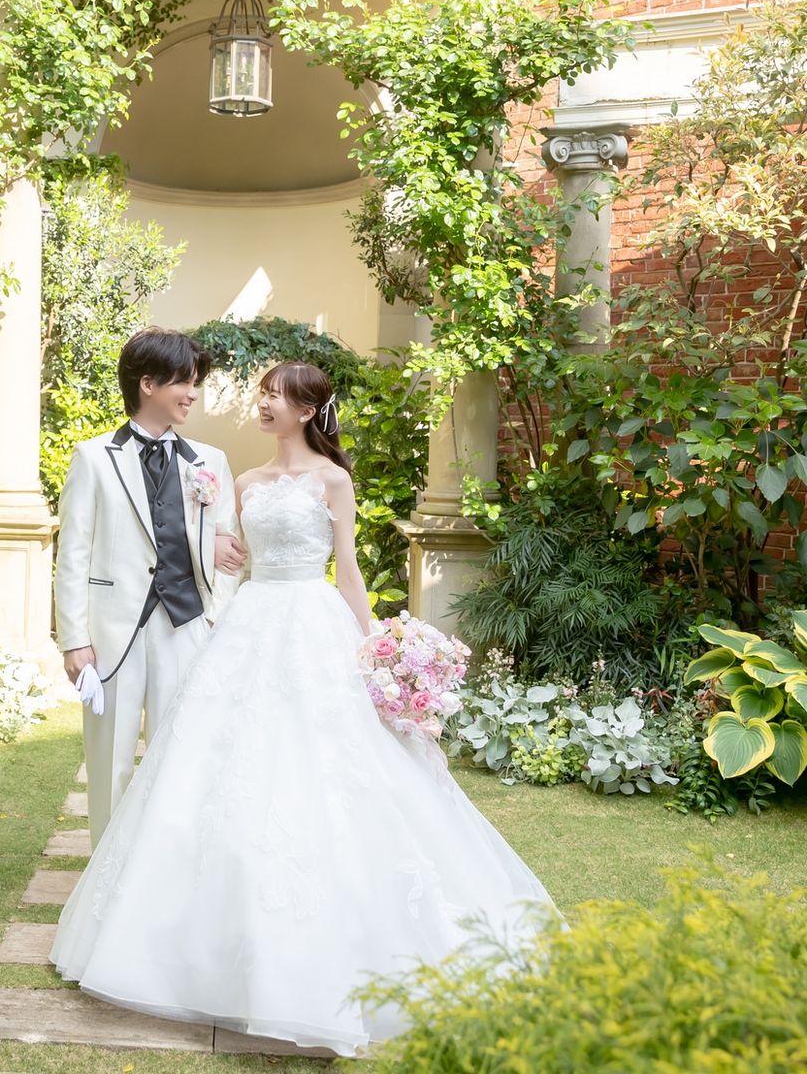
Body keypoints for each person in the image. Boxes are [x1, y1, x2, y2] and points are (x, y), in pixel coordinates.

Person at [50, 361, 556, 1057]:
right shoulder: (242, 481)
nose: (264, 404)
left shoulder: (333, 479)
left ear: (310, 410)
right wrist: (218, 562)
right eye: (263, 393)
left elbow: (347, 569)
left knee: (328, 765)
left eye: (277, 396)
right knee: (218, 768)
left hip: (314, 624)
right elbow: (221, 557)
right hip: (249, 624)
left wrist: (375, 649)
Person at [54, 328, 246, 848]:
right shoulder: (93, 457)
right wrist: (74, 640)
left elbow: (228, 550)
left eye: (194, 383)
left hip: (186, 624)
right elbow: (72, 555)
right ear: (148, 384)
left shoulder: (209, 462)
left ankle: (167, 868)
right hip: (114, 630)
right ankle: (105, 873)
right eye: (184, 382)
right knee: (110, 763)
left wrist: (213, 616)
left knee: (180, 757)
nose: (192, 394)